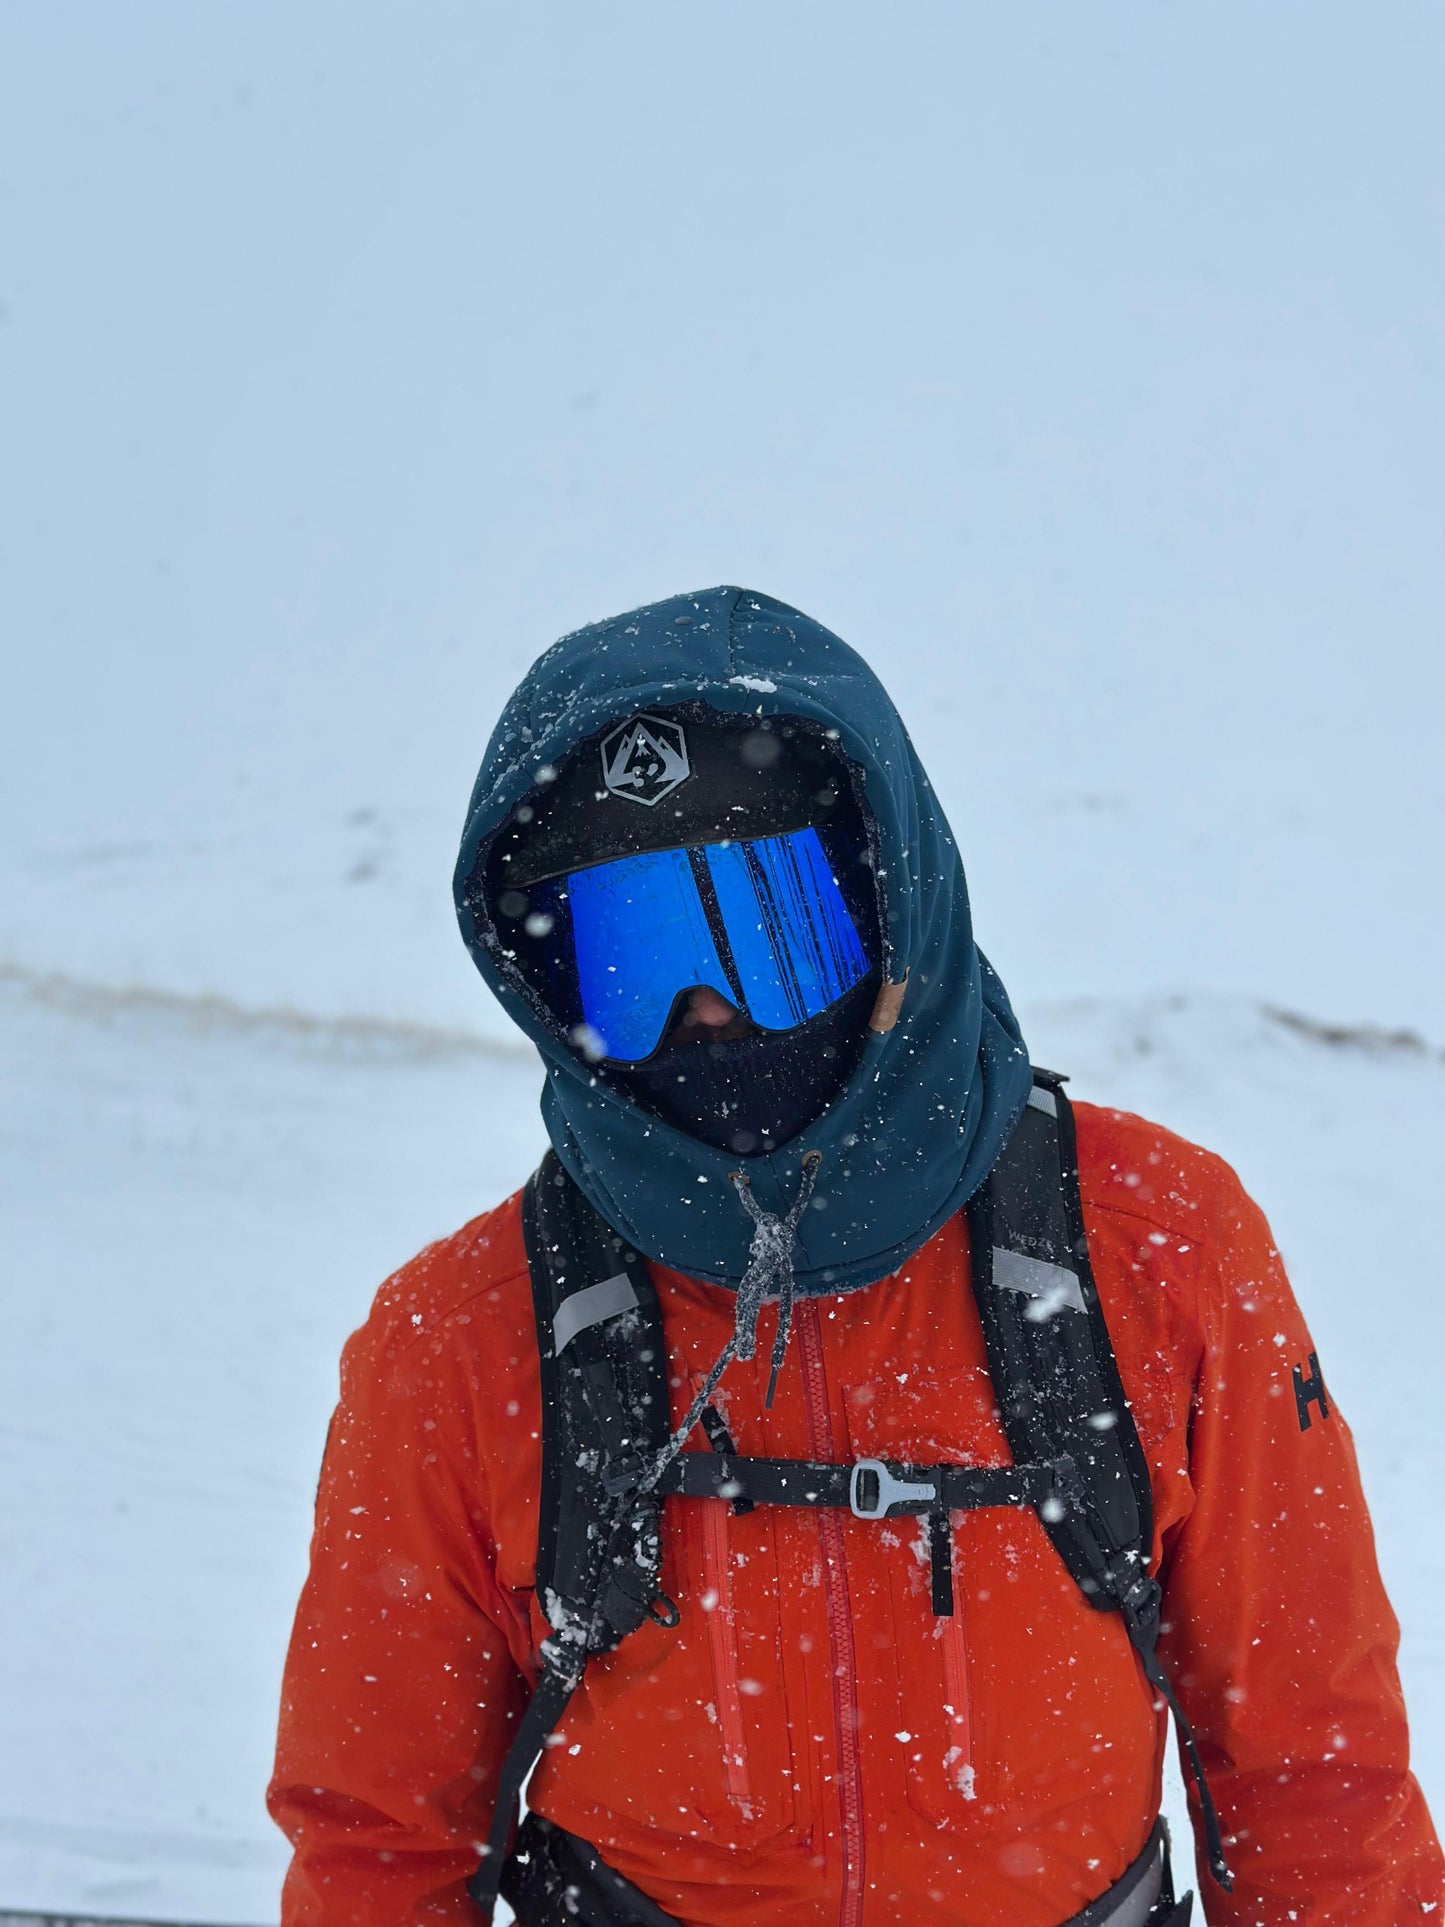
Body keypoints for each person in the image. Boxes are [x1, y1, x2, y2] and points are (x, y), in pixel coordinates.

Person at [268, 587, 1442, 1926]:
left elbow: (1315, 1779)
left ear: (895, 912)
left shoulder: (1157, 1243)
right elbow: (376, 1840)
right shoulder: (460, 1333)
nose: (705, 1016)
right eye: (629, 955)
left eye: (769, 934)